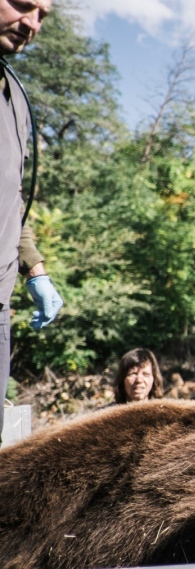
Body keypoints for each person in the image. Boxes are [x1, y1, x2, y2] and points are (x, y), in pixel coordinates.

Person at [1, 0, 62, 440]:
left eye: (42, 15)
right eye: (23, 5)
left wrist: (35, 270)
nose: (32, 24)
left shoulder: (16, 96)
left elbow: (11, 197)